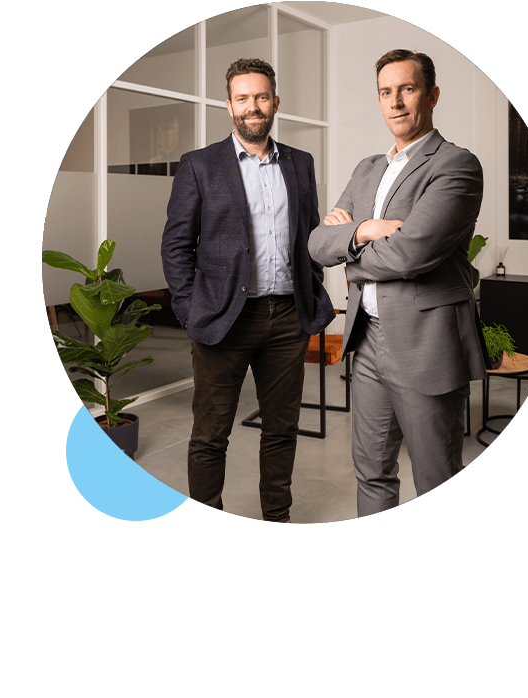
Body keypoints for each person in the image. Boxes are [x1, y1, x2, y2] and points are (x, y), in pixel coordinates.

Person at [308, 49, 487, 517]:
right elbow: (317, 244)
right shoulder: (367, 168)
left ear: (431, 95)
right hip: (367, 341)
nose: (396, 102)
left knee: (436, 480)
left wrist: (348, 252)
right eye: (386, 92)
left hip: (426, 343)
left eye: (407, 89)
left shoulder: (456, 165)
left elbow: (412, 254)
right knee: (371, 472)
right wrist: (366, 230)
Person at [161, 58, 334, 523]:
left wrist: (312, 286)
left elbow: (309, 236)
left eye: (260, 97)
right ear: (229, 105)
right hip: (223, 319)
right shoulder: (199, 165)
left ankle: (277, 519)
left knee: (282, 430)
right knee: (210, 434)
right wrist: (189, 309)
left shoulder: (300, 163)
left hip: (288, 317)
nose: (252, 106)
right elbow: (176, 245)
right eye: (242, 98)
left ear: (275, 102)